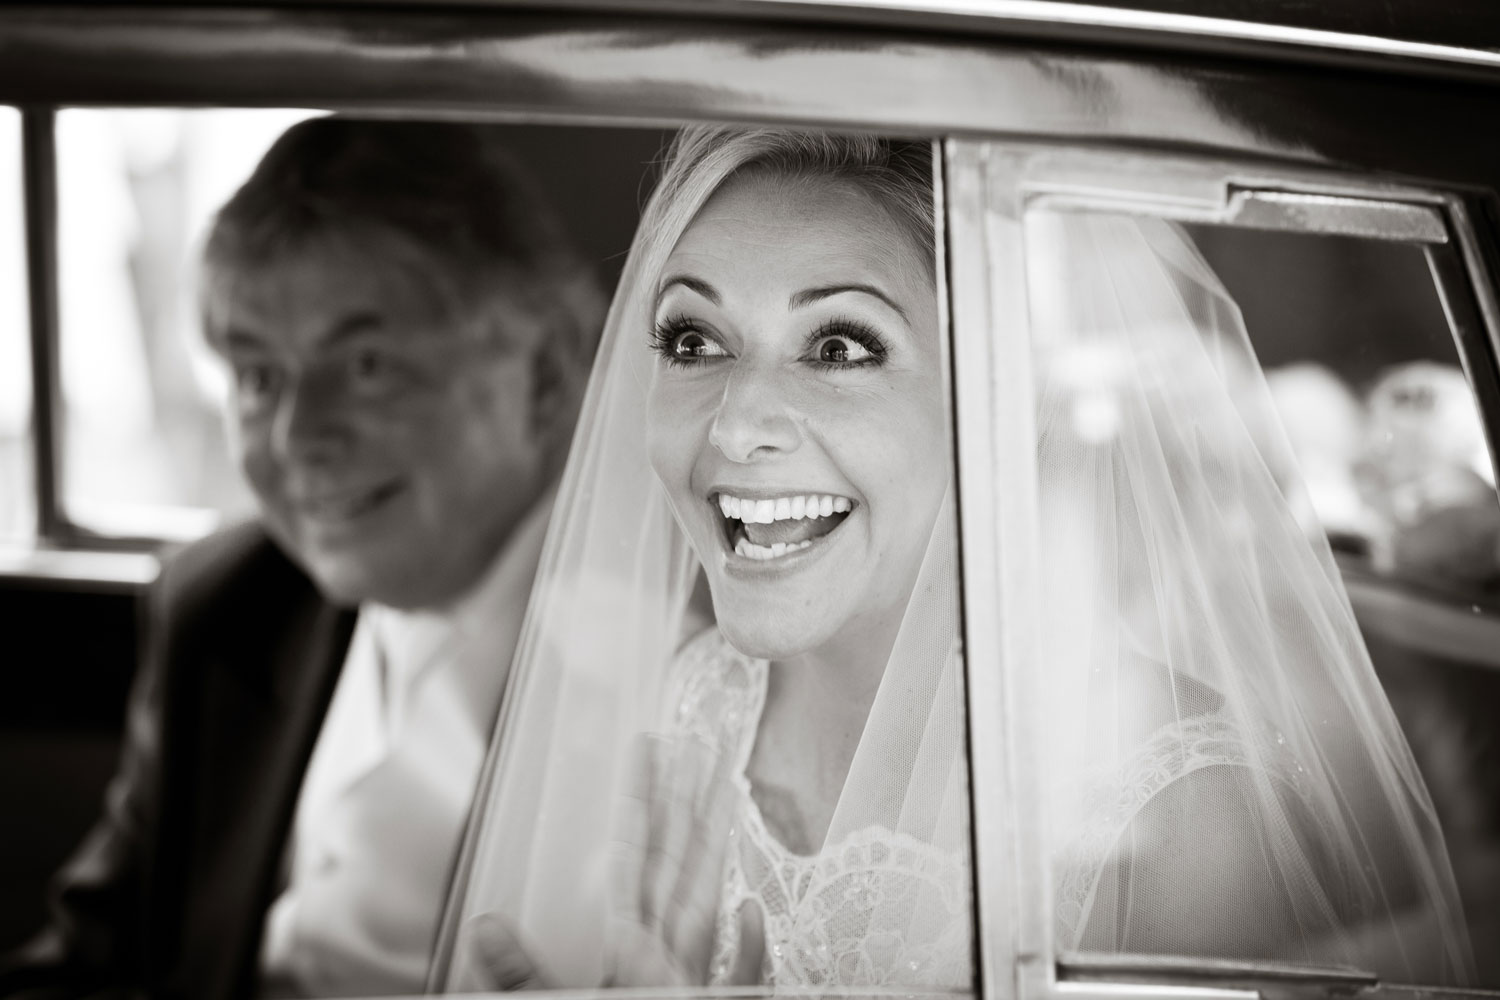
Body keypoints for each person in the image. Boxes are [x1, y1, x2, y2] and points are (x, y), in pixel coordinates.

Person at [437, 126, 1474, 990]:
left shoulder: (1187, 825)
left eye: (840, 346)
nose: (736, 424)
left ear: (1003, 402)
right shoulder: (694, 707)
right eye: (693, 340)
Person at [0, 118, 603, 1000]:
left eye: (365, 365)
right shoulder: (225, 605)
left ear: (544, 375)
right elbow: (95, 964)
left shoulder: (697, 649)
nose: (296, 437)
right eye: (257, 377)